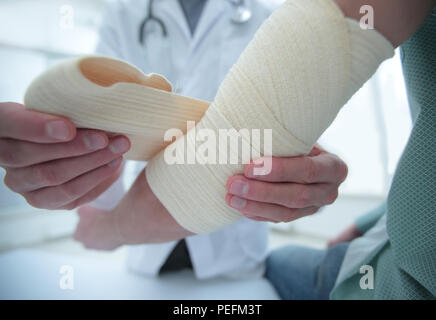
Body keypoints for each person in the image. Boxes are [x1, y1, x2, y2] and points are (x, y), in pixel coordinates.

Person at [0, 0, 347, 280]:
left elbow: (286, 137)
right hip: (145, 257)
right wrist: (80, 189)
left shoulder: (270, 21)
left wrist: (304, 174)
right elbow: (95, 121)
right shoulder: (124, 13)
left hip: (235, 256)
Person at [265, 0, 436, 299]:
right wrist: (365, 222)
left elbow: (333, 27)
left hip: (385, 284)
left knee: (275, 263)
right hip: (385, 248)